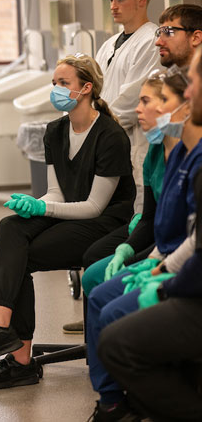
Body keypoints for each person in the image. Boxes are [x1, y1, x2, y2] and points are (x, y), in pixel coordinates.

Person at [0, 54, 136, 389]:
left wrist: (43, 210)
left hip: (106, 223)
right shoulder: (55, 131)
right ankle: (0, 329)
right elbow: (56, 193)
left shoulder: (111, 136)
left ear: (86, 88)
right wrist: (36, 204)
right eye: (54, 82)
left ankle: (20, 359)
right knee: (12, 227)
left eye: (63, 83)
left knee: (21, 255)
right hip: (71, 214)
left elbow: (94, 207)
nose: (55, 89)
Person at [63, 3, 202, 335]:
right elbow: (156, 215)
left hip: (183, 253)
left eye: (169, 31)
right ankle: (101, 333)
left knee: (106, 275)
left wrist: (161, 264)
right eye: (159, 31)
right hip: (166, 241)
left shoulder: (191, 153)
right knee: (99, 265)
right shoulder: (162, 146)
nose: (159, 41)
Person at [82, 62, 202, 420]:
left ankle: (131, 398)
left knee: (115, 315)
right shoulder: (171, 154)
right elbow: (153, 218)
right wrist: (138, 252)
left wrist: (164, 272)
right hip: (167, 257)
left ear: (183, 103)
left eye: (154, 99)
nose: (139, 109)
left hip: (181, 266)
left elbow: (195, 240)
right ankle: (111, 398)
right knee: (99, 292)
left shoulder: (194, 158)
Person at [96, 0, 159, 212]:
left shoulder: (151, 41)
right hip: (109, 144)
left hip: (133, 144)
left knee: (136, 218)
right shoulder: (110, 44)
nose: (113, 6)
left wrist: (92, 127)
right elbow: (96, 90)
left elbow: (131, 102)